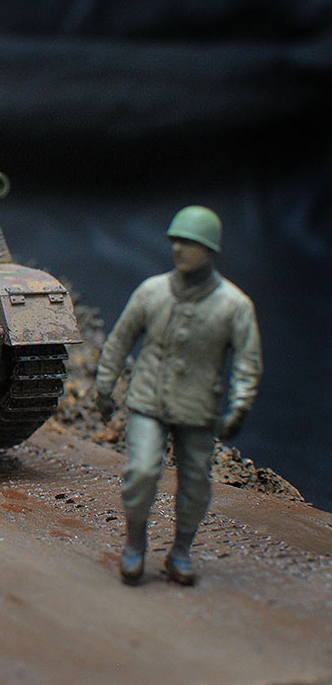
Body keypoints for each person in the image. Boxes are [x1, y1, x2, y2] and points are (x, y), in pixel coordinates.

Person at [94, 206, 262, 586]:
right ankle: (135, 543)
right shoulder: (151, 291)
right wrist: (104, 386)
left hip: (198, 408)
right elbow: (119, 341)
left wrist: (240, 405)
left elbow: (247, 363)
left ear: (209, 249)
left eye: (189, 242)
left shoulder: (234, 305)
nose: (178, 249)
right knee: (141, 471)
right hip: (148, 401)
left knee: (196, 484)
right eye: (175, 241)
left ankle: (181, 551)